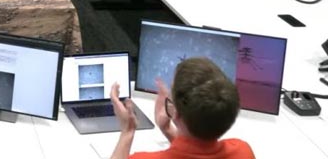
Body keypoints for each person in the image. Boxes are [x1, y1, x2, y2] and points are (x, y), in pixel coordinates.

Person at [109, 57, 254, 159]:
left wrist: (127, 131)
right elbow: (198, 149)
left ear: (176, 114)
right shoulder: (243, 152)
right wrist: (167, 129)